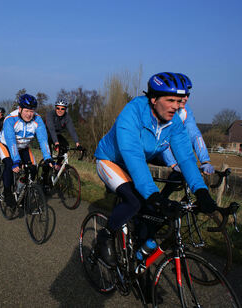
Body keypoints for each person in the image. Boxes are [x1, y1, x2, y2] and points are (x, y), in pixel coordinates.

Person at [93, 72, 217, 266]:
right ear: (153, 98)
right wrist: (153, 196)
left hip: (135, 162)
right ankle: (106, 234)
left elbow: (185, 158)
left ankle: (138, 256)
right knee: (135, 202)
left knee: (153, 214)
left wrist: (201, 192)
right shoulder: (132, 113)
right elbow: (133, 156)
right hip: (111, 161)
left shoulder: (174, 122)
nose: (176, 106)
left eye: (179, 101)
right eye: (170, 100)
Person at [159, 73, 215, 198]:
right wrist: (173, 163)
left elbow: (195, 134)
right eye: (182, 95)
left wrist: (205, 160)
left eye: (188, 95)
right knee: (181, 168)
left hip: (172, 150)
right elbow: (162, 139)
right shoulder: (164, 109)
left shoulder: (185, 111)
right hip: (155, 149)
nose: (186, 98)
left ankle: (162, 200)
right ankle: (155, 201)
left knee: (186, 170)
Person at [0, 94, 53, 208]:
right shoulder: (10, 120)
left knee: (33, 169)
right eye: (26, 111)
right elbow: (11, 142)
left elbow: (43, 140)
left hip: (23, 147)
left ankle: (20, 192)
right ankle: (7, 193)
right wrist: (16, 160)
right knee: (9, 166)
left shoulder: (37, 120)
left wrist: (47, 157)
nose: (29, 114)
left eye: (32, 111)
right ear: (20, 109)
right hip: (6, 145)